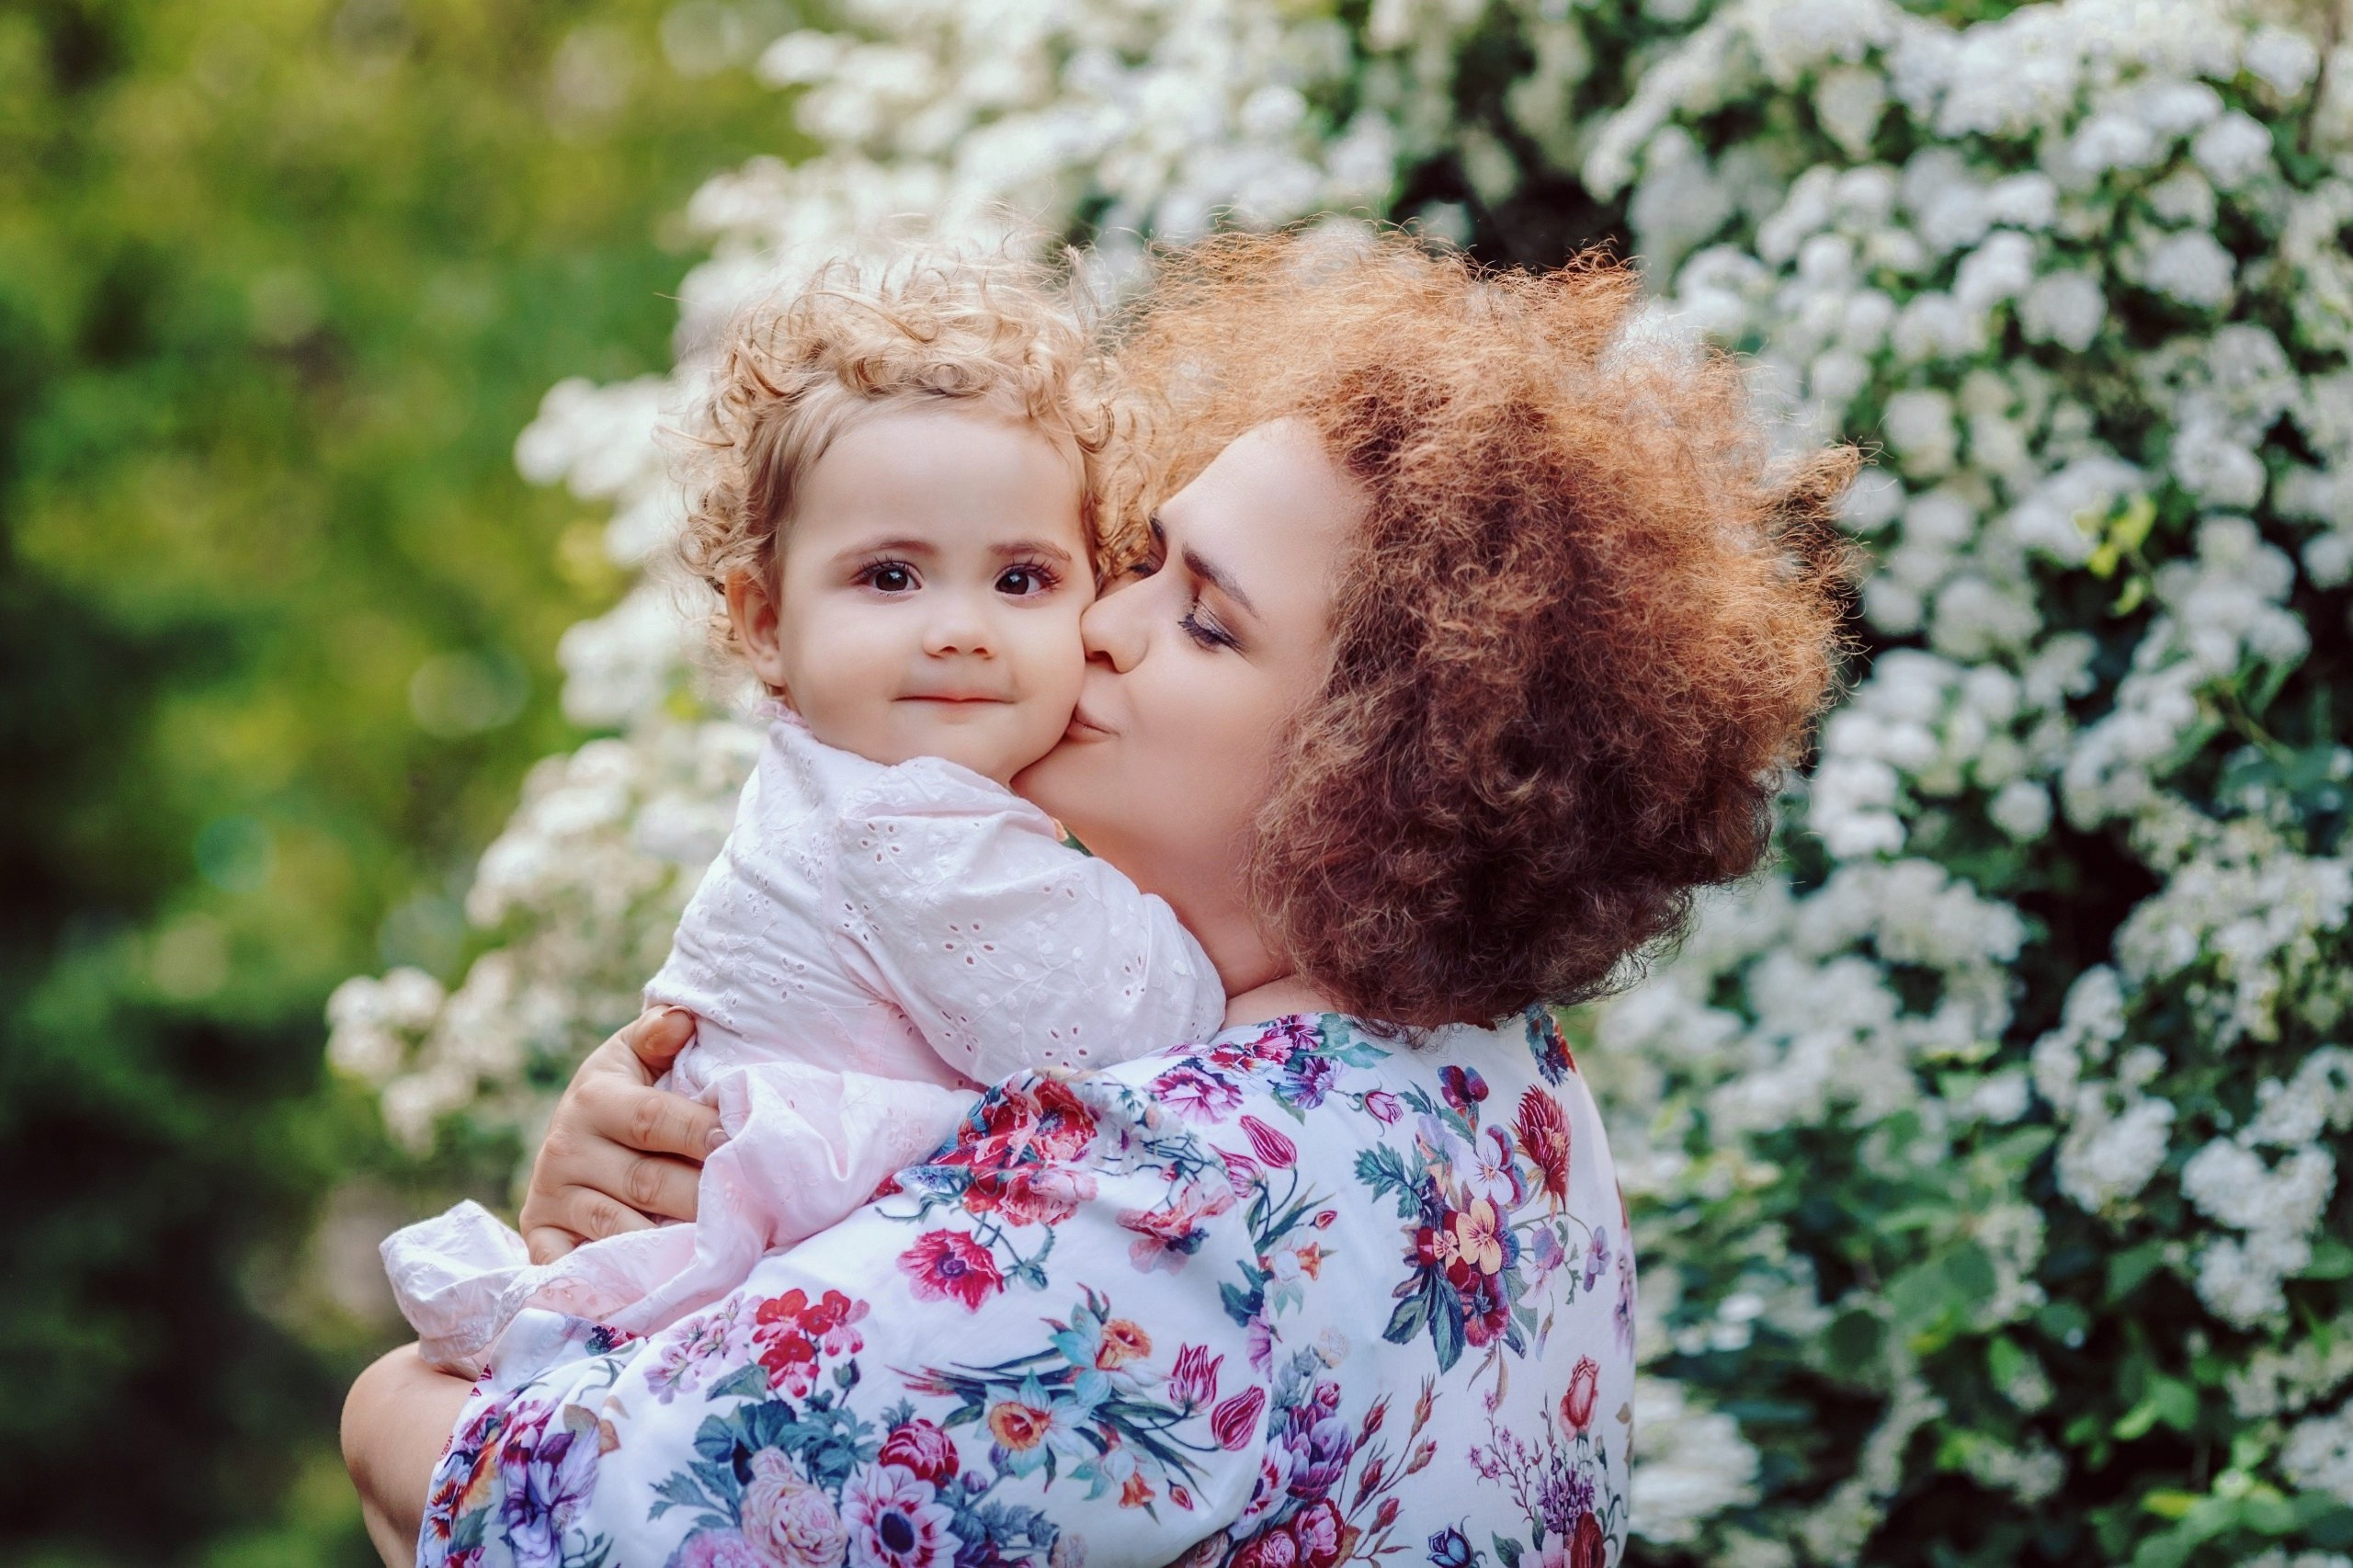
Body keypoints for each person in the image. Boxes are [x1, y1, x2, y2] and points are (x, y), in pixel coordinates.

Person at [343, 229, 1855, 1568]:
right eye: (1134, 562)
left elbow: (528, 1508)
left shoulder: (1167, 1201)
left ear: (1397, 759)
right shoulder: (1507, 1078)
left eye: (1203, 619)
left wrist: (395, 1395)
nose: (1100, 625)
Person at [379, 252, 1228, 1377]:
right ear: (767, 623)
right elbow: (1145, 1030)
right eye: (891, 577)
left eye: (1020, 579)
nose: (961, 628)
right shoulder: (905, 827)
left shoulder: (846, 784)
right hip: (736, 1315)